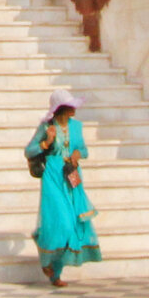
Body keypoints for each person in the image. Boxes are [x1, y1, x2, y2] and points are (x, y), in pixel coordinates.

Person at [25, 90, 101, 286]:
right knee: (60, 221)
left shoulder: (76, 126)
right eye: (70, 106)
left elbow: (84, 149)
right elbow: (29, 150)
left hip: (71, 173)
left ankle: (55, 273)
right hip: (53, 174)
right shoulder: (47, 126)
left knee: (73, 224)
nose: (74, 109)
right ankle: (46, 259)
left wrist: (77, 154)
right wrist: (46, 142)